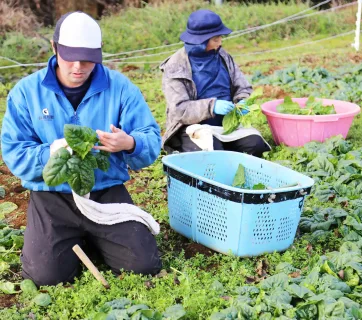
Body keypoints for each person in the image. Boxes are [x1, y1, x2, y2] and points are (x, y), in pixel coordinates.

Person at [1, 11, 162, 286]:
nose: (78, 66)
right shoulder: (26, 92)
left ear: (99, 53)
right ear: (54, 48)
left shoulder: (120, 87)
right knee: (46, 276)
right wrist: (52, 152)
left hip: (105, 191)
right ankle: (74, 240)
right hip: (52, 195)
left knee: (143, 264)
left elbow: (151, 139)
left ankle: (92, 237)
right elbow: (15, 152)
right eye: (69, 57)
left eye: (87, 58)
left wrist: (130, 143)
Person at [161, 9, 271, 156]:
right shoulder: (176, 66)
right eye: (215, 39)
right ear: (200, 41)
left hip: (226, 125)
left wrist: (243, 101)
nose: (220, 42)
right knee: (214, 150)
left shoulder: (223, 56)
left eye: (220, 37)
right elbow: (179, 109)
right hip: (193, 128)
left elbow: (243, 86)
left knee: (255, 145)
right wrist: (212, 107)